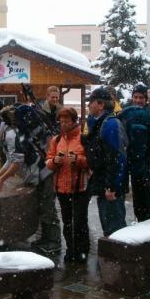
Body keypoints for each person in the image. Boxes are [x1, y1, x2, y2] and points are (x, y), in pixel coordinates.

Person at [0, 106, 61, 255]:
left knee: (47, 208)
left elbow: (16, 163)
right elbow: (10, 160)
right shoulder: (9, 132)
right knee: (43, 208)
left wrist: (1, 180)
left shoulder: (10, 134)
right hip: (39, 171)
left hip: (43, 172)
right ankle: (46, 240)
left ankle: (54, 242)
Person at [45, 107, 90, 262]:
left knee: (79, 221)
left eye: (66, 121)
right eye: (61, 121)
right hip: (61, 188)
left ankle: (82, 251)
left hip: (79, 188)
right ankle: (71, 250)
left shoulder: (84, 138)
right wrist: (54, 161)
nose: (63, 124)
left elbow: (91, 163)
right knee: (67, 222)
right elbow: (48, 161)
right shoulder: (56, 140)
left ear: (73, 121)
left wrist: (78, 160)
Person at [85, 88, 128, 237]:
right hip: (104, 184)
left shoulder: (110, 124)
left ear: (101, 104)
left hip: (110, 188)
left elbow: (117, 157)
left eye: (91, 102)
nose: (89, 105)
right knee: (109, 229)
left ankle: (118, 259)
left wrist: (112, 186)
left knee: (115, 231)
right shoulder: (100, 123)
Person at [117, 84, 150, 222]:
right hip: (128, 158)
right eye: (136, 97)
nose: (138, 100)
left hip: (142, 161)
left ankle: (143, 222)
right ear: (132, 98)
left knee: (142, 197)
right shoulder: (125, 113)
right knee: (124, 193)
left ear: (146, 99)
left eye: (141, 98)